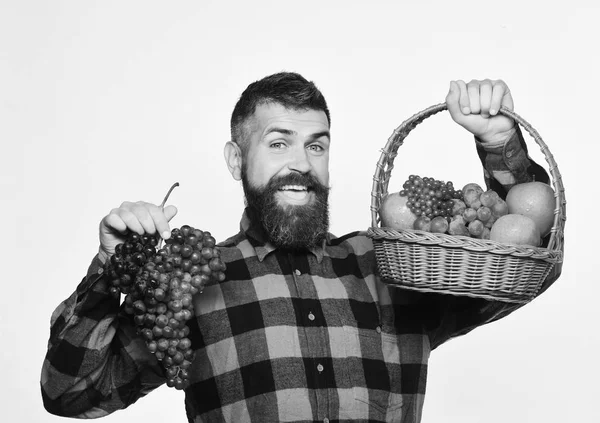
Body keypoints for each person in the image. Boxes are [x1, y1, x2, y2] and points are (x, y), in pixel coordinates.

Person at [41, 72, 561, 422]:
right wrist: (114, 269)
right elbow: (70, 392)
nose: (301, 162)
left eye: (316, 144)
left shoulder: (388, 262)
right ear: (234, 159)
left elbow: (520, 262)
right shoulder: (190, 283)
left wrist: (499, 145)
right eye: (278, 142)